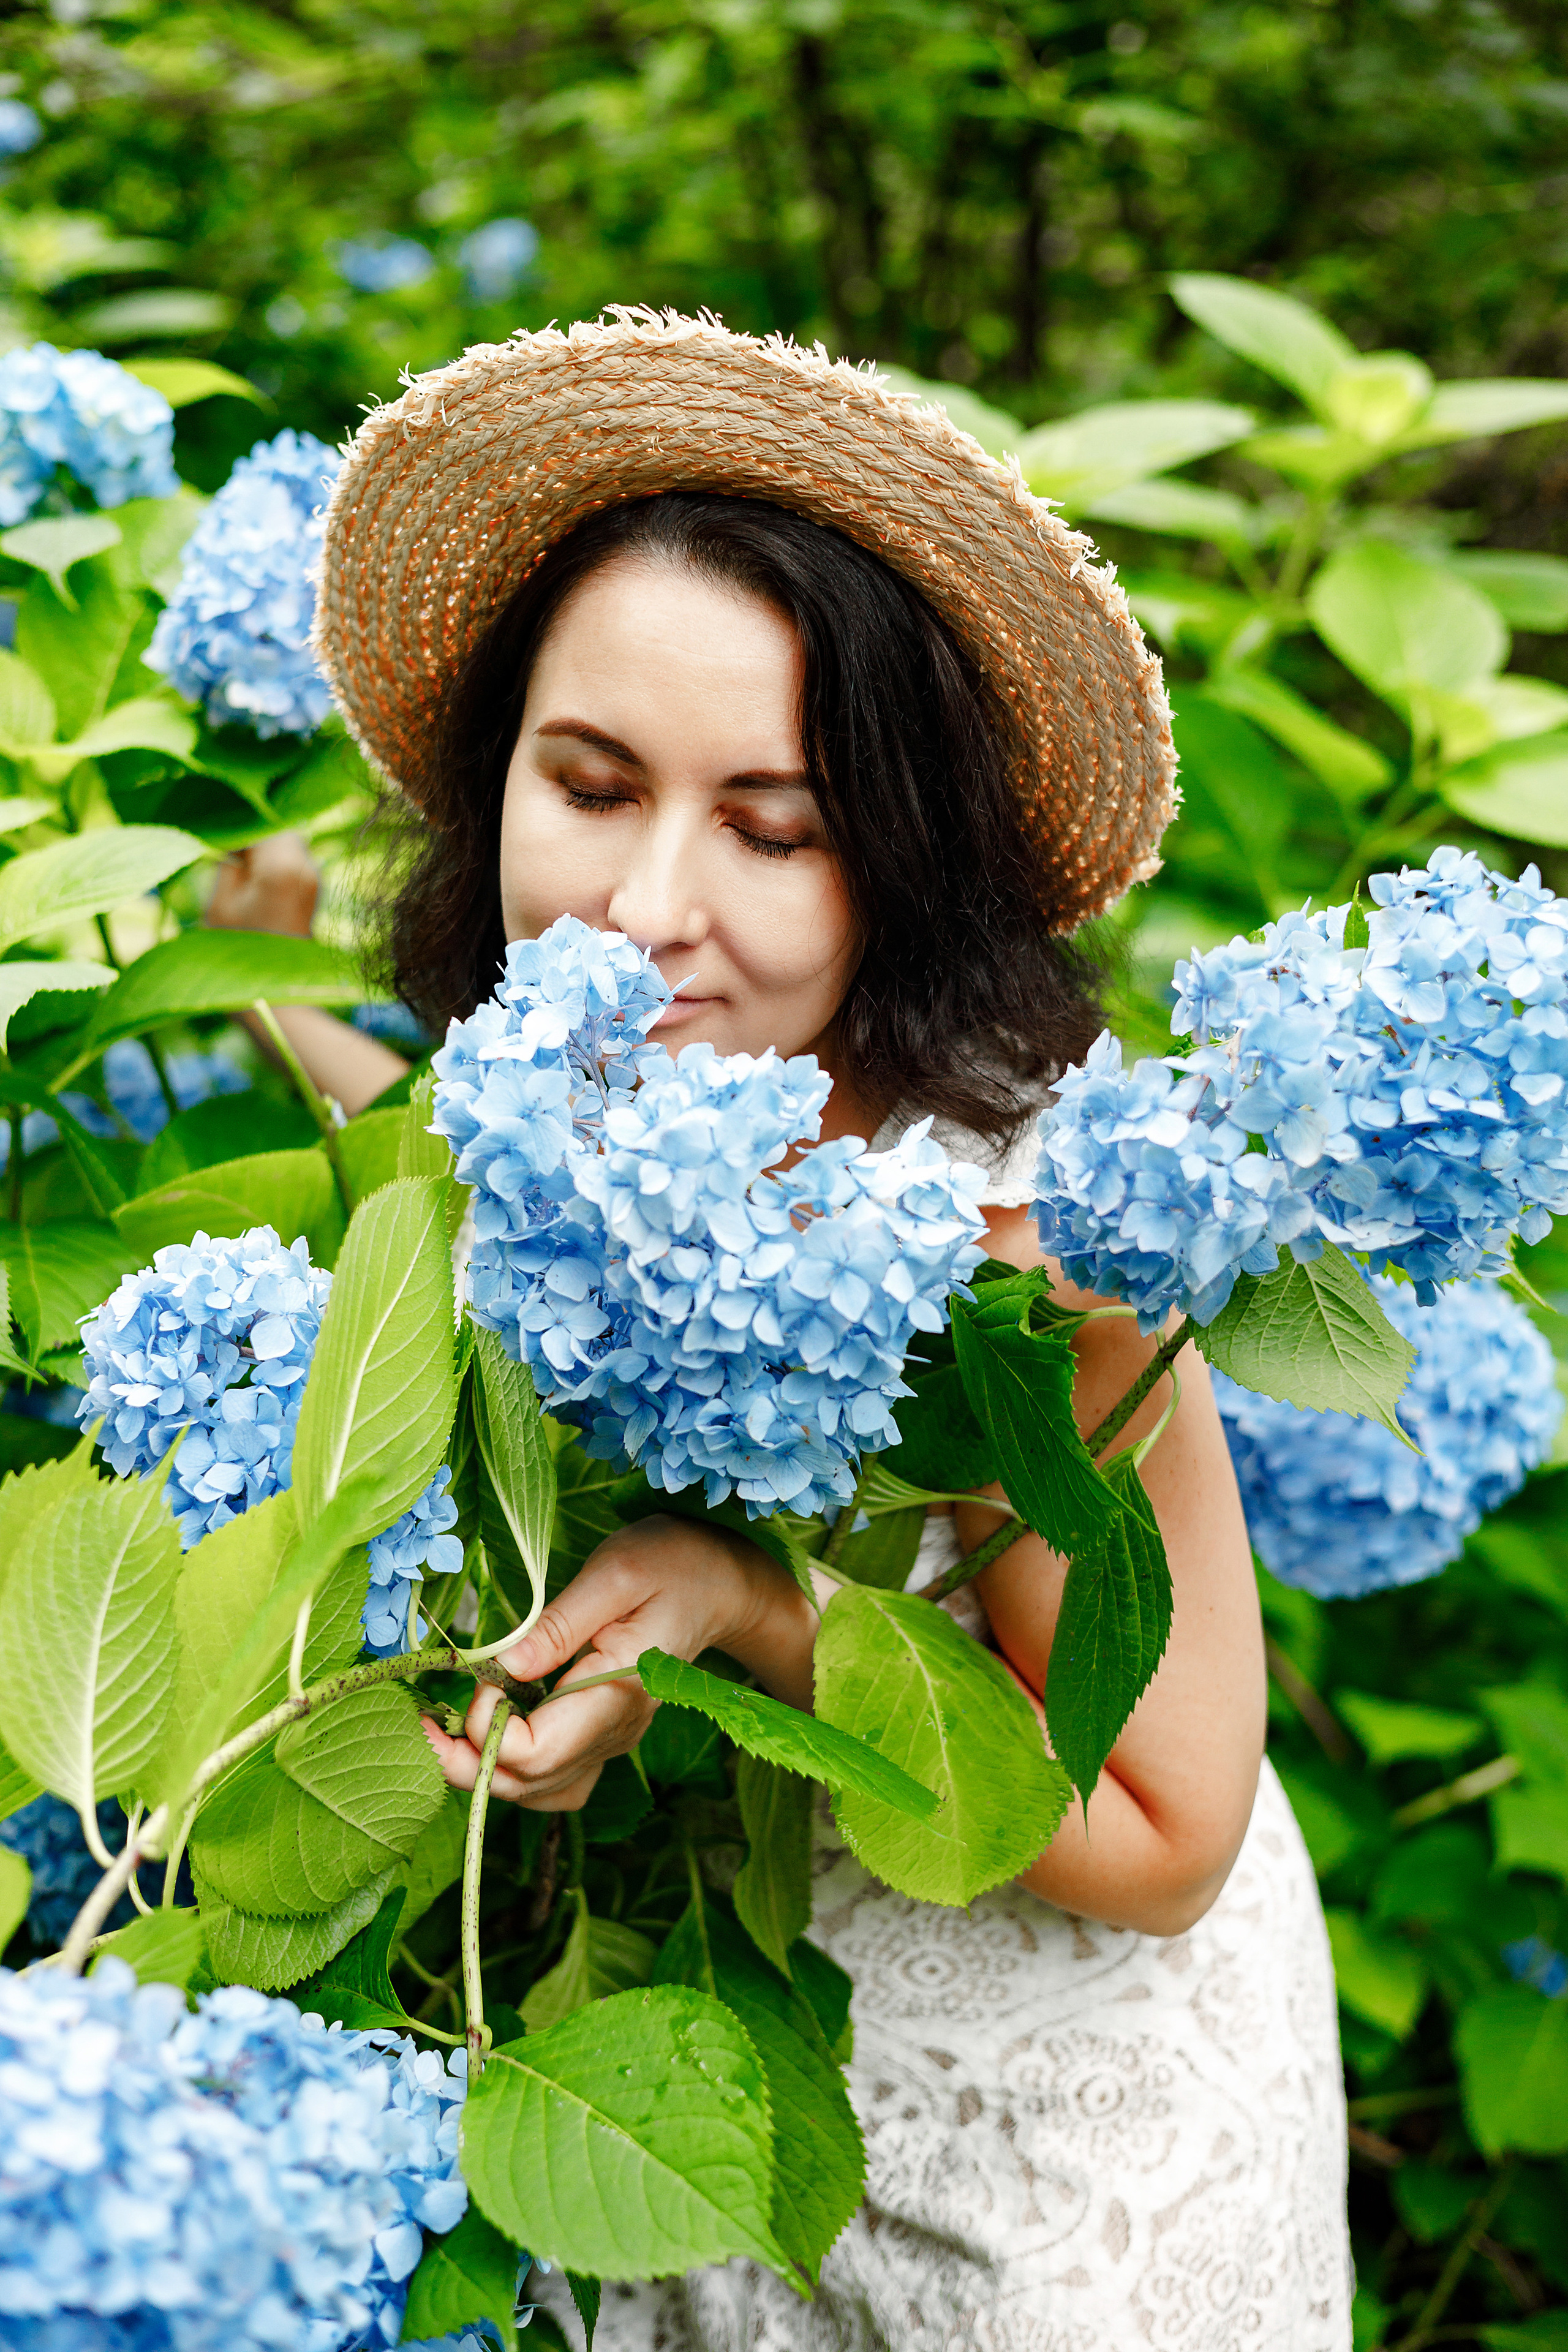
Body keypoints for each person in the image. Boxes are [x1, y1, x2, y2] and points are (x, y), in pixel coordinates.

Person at [216, 314, 1351, 2348]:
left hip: (1046, 2172)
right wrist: (266, 992)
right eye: (588, 783)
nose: (648, 905)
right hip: (731, 2107)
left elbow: (1167, 1837)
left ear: (899, 858)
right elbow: (417, 1160)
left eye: (775, 824)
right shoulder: (567, 1091)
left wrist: (740, 1609)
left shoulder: (1030, 1244)